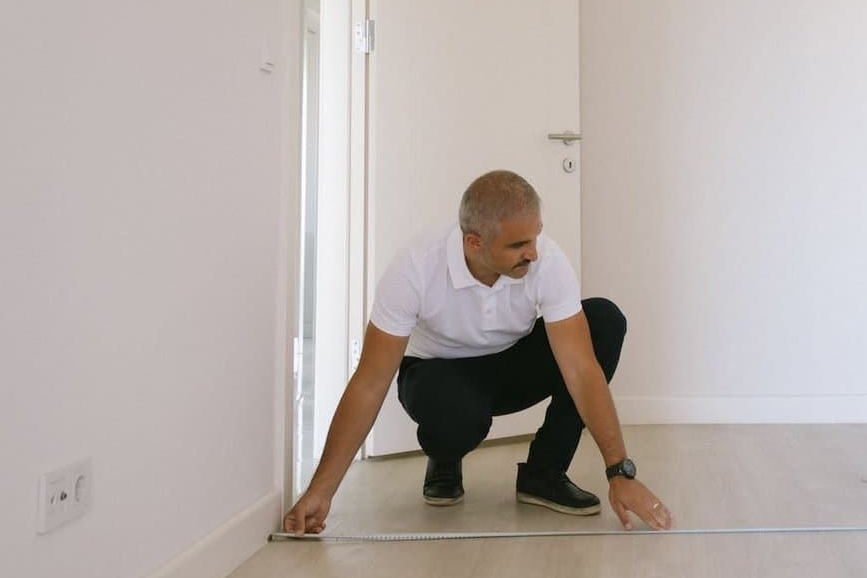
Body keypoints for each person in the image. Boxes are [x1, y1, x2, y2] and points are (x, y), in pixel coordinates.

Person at [284, 170, 672, 533]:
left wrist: (619, 471)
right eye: (518, 245)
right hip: (437, 373)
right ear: (474, 242)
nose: (533, 253)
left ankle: (544, 472)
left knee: (604, 321)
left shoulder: (545, 260)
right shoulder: (415, 267)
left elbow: (581, 370)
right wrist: (321, 491)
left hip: (510, 364)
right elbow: (369, 384)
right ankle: (445, 457)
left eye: (535, 237)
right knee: (458, 414)